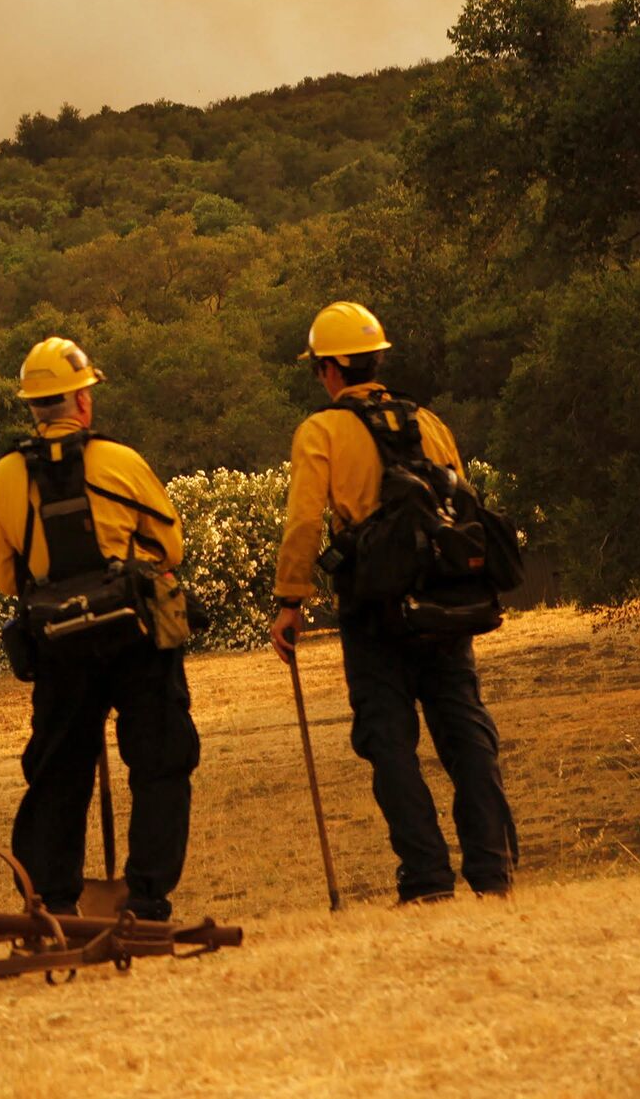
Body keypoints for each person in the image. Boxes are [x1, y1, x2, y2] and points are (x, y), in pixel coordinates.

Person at [269, 301, 518, 903]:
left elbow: (304, 522)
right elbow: (462, 507)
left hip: (374, 610)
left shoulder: (321, 431)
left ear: (328, 371)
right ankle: (492, 869)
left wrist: (289, 602)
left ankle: (426, 877)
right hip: (446, 604)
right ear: (378, 360)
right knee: (464, 732)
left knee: (389, 741)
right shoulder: (430, 423)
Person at [0, 335, 197, 921]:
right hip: (136, 641)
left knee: (57, 771)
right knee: (160, 761)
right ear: (81, 401)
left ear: (32, 406)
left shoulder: (0, 478)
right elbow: (169, 547)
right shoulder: (120, 462)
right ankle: (147, 897)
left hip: (57, 647)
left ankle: (54, 899)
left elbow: (6, 578)